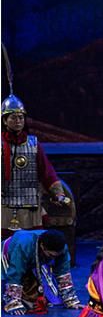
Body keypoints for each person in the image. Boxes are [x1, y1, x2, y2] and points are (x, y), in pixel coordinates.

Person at [1, 44, 69, 238]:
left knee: (32, 245)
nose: (18, 121)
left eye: (21, 117)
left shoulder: (32, 144)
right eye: (13, 117)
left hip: (30, 206)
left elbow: (47, 173)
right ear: (4, 120)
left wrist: (58, 194)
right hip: (3, 206)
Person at [2, 229, 81, 315]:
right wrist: (13, 302)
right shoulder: (23, 245)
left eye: (55, 256)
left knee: (37, 297)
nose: (53, 258)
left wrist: (70, 300)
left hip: (35, 259)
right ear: (42, 246)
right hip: (9, 255)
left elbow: (63, 272)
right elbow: (15, 272)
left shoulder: (62, 248)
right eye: (51, 255)